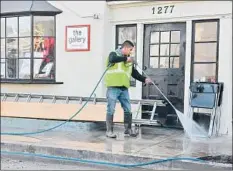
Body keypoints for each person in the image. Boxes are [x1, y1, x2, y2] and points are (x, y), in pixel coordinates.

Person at [104, 40, 153, 138]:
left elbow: (134, 73)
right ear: (125, 48)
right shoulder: (113, 54)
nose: (131, 52)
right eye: (130, 50)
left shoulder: (128, 60)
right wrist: (127, 59)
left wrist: (145, 79)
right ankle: (109, 131)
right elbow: (112, 59)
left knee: (128, 109)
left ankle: (128, 130)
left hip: (124, 88)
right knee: (111, 109)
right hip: (113, 87)